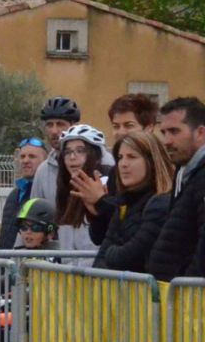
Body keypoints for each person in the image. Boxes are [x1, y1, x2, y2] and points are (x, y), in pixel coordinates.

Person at [90, 130, 172, 273]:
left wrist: (111, 253)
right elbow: (102, 255)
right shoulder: (123, 204)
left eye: (132, 157)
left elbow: (132, 255)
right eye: (120, 157)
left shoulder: (161, 202)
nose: (123, 164)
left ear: (152, 162)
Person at [146, 97, 205, 282]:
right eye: (163, 132)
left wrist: (188, 285)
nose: (166, 141)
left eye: (174, 131)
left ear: (200, 133)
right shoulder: (185, 171)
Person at [53, 124, 109, 252]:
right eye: (68, 152)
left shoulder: (106, 184)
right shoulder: (65, 189)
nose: (72, 157)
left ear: (94, 155)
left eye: (80, 151)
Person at [31, 95, 80, 209]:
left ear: (74, 126)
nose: (54, 131)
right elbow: (36, 212)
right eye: (49, 125)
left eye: (60, 124)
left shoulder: (95, 162)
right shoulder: (43, 171)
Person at [0, 137, 46, 248]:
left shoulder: (45, 193)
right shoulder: (14, 194)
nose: (25, 161)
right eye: (22, 156)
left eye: (32, 156)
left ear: (45, 161)